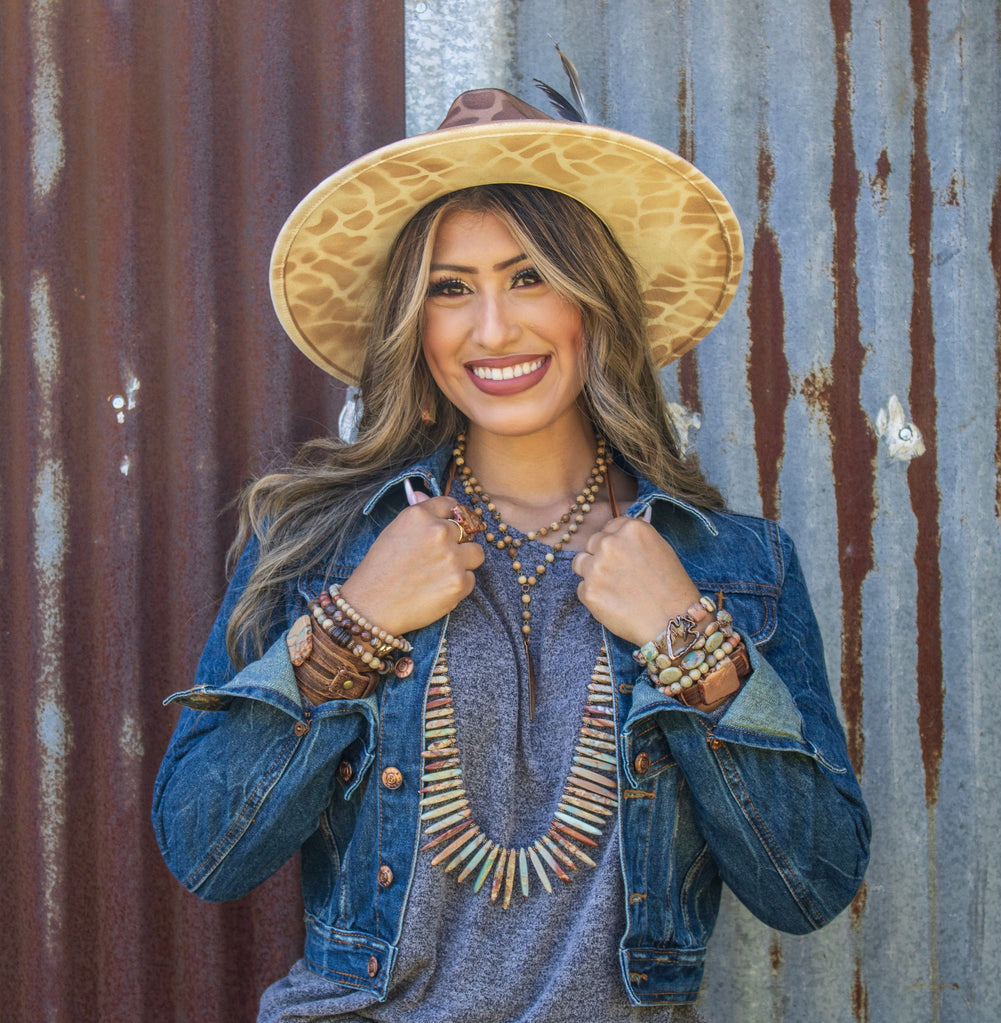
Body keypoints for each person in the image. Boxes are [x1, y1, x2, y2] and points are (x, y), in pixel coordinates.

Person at [153, 87, 870, 1023]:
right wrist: (353, 625)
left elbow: (808, 886)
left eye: (530, 276)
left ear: (594, 298)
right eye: (451, 288)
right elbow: (206, 850)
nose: (492, 330)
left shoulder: (736, 567)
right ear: (417, 322)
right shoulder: (321, 548)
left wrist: (694, 646)